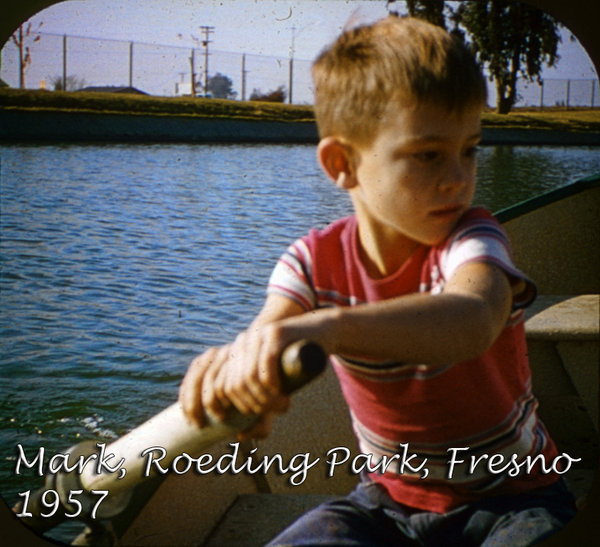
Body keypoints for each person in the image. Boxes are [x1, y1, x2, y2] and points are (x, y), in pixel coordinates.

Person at [179, 15, 577, 546]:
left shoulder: (472, 238)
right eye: (428, 155)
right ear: (342, 163)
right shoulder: (309, 261)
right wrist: (236, 371)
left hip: (516, 500)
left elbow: (473, 319)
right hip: (386, 504)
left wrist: (330, 328)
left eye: (470, 149)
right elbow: (271, 331)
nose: (459, 177)